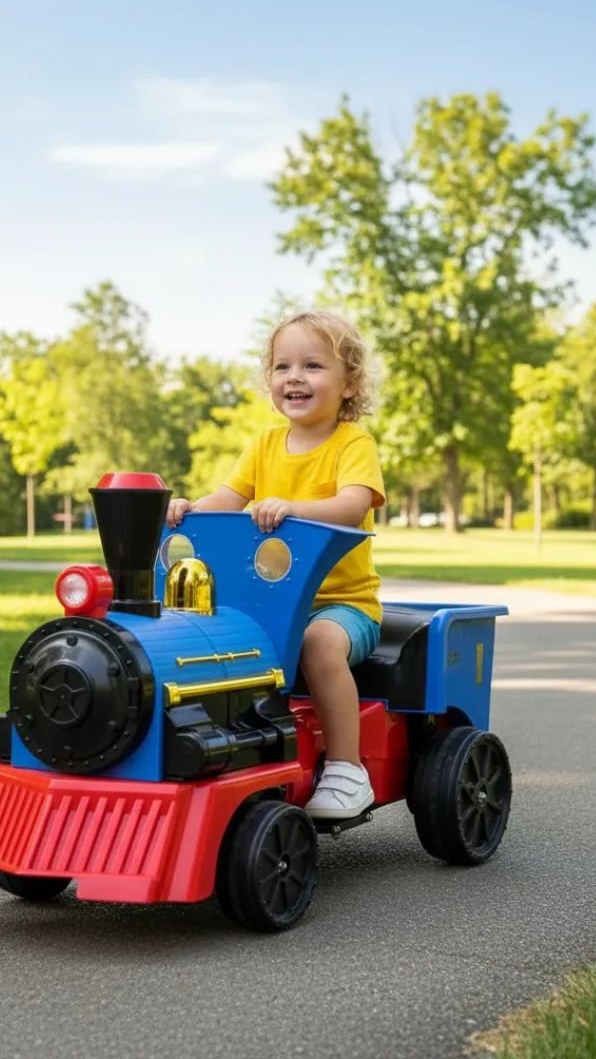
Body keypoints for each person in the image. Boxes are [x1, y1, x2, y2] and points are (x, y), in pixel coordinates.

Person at [166, 310, 385, 820]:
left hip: (341, 606)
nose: (295, 377)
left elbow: (354, 504)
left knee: (318, 644)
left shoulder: (352, 443)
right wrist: (188, 509)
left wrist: (291, 507)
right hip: (270, 604)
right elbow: (228, 495)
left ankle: (349, 771)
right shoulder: (263, 445)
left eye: (313, 365)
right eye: (283, 366)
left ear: (348, 383)